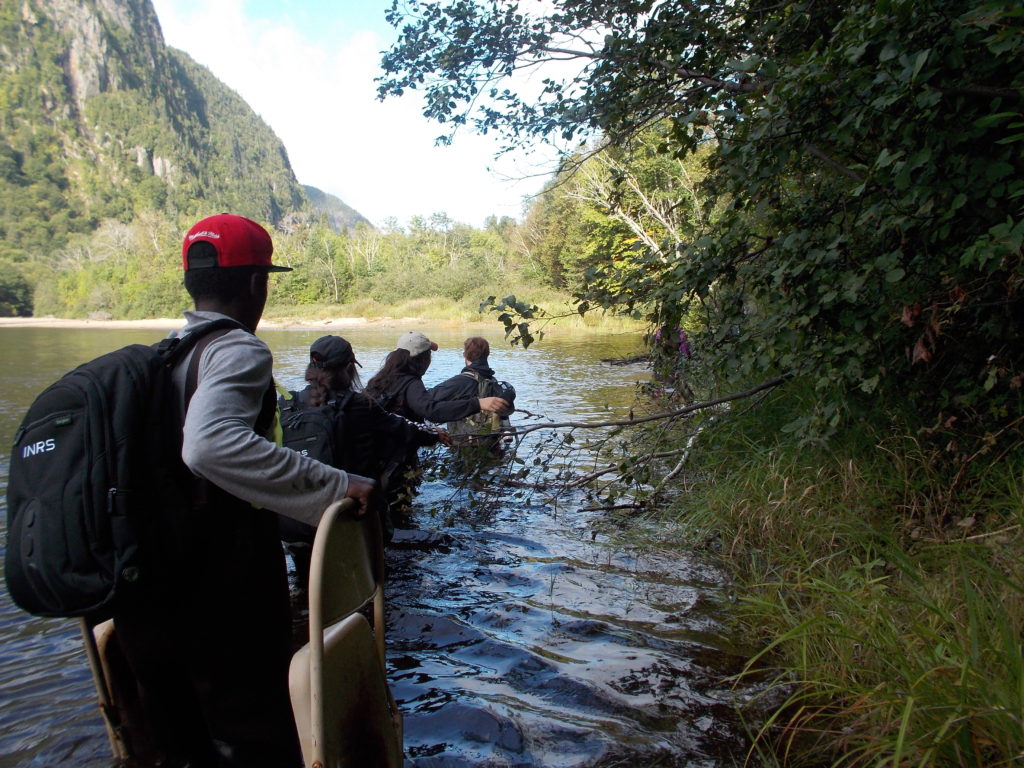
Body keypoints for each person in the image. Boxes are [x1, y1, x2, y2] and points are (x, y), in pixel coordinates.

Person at [112, 214, 376, 768]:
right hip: (216, 589)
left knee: (179, 744)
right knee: (255, 738)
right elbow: (207, 447)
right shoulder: (237, 349)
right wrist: (338, 485)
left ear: (191, 281)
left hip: (147, 585)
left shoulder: (161, 356)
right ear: (258, 283)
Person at [278, 334, 448, 583]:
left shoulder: (287, 404)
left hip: (294, 520)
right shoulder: (358, 405)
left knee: (309, 584)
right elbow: (404, 428)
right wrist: (435, 434)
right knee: (358, 583)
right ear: (349, 368)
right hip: (343, 517)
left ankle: (308, 613)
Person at [364, 331, 510, 515]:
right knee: (397, 509)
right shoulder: (411, 383)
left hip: (373, 457)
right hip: (393, 461)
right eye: (429, 355)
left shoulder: (382, 379)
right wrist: (477, 403)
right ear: (422, 360)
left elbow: (399, 417)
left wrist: (431, 432)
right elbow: (431, 410)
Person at [430, 336, 516, 453]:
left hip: (464, 448)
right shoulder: (494, 382)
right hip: (492, 446)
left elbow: (426, 400)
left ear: (465, 355)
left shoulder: (459, 382)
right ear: (487, 355)